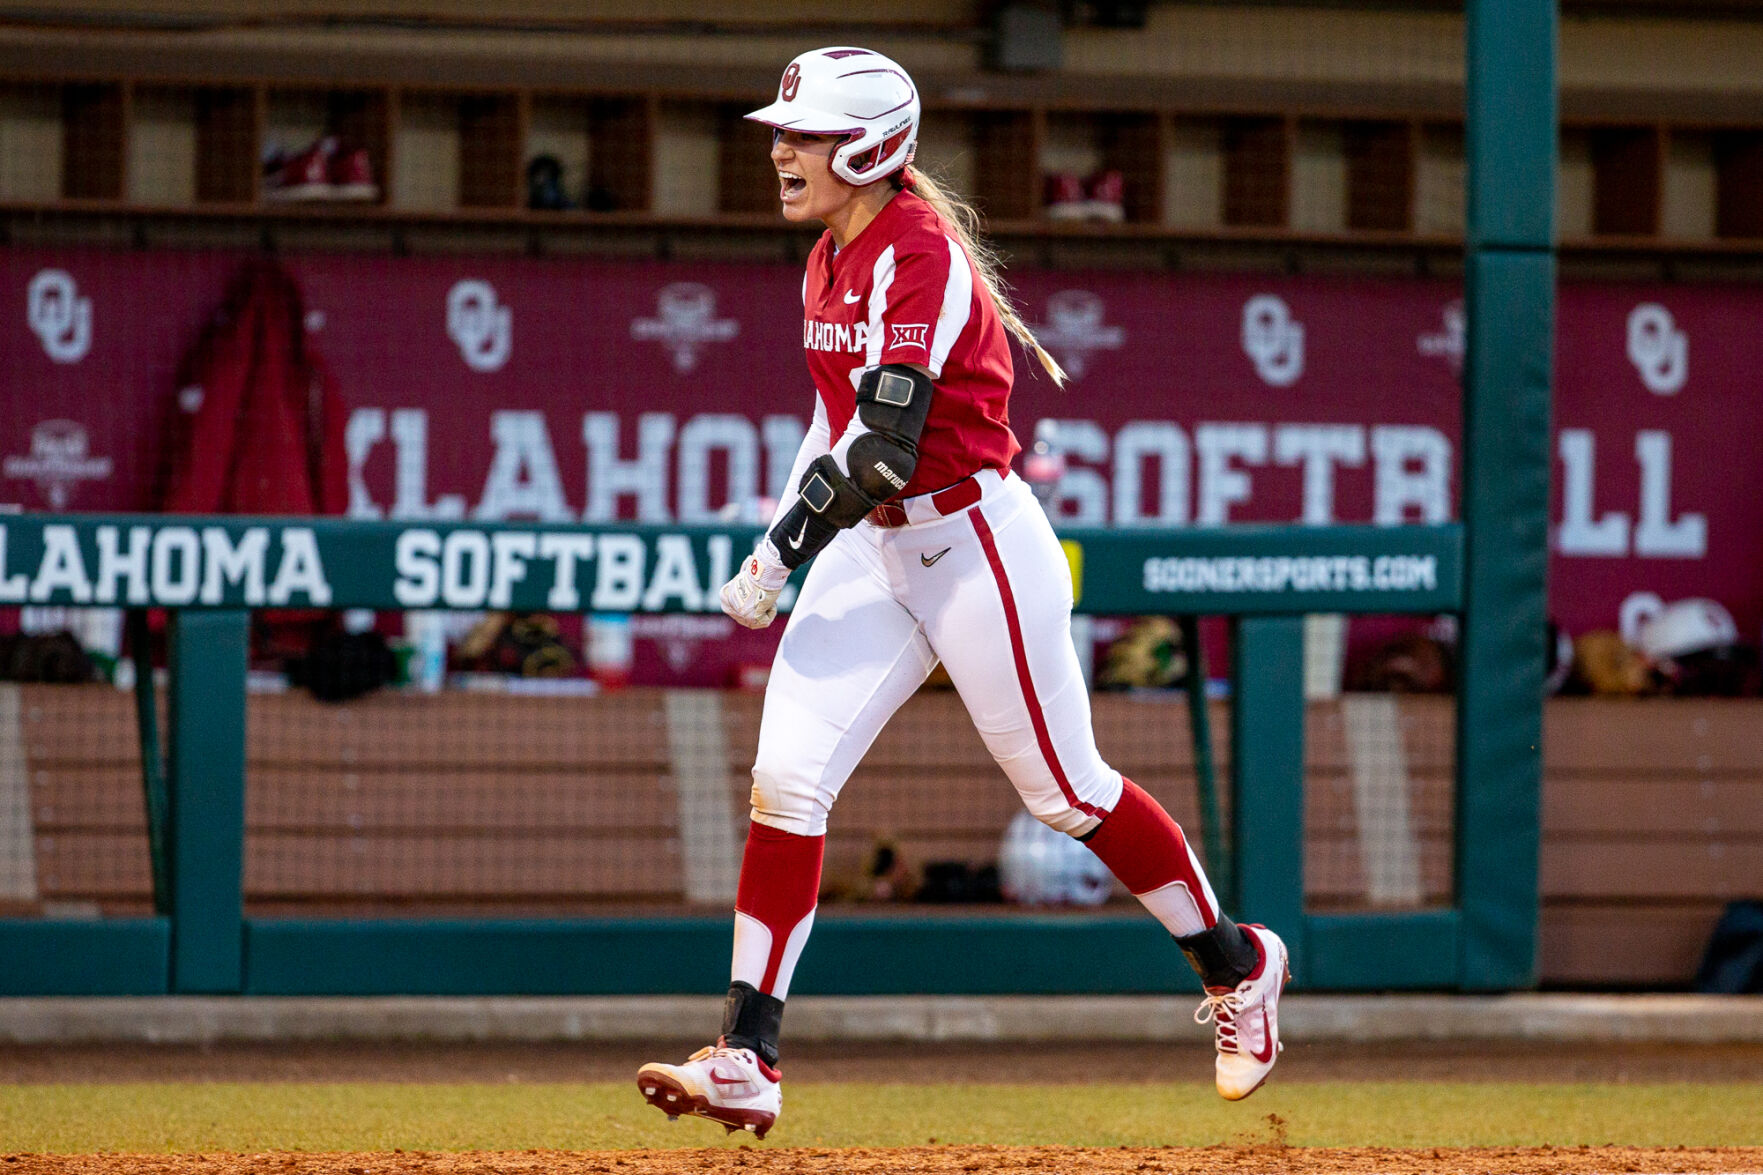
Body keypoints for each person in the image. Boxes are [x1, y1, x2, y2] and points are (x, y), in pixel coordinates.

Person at [636, 46, 1288, 1140]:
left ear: (867, 145)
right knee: (785, 781)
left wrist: (785, 549)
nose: (781, 153)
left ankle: (1237, 964)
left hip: (971, 540)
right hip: (870, 545)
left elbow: (885, 449)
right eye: (782, 136)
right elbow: (830, 426)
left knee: (1065, 791)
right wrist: (770, 546)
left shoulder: (918, 255)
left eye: (801, 137)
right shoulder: (828, 258)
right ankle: (747, 1053)